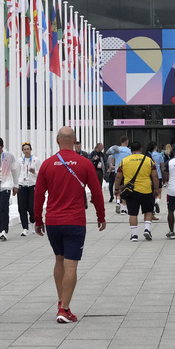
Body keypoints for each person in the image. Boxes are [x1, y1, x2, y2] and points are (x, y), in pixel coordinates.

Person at [35, 126, 107, 323]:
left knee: (59, 260)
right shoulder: (84, 163)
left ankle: (61, 302)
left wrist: (37, 220)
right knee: (71, 263)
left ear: (57, 140)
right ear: (75, 140)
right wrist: (101, 216)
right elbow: (97, 192)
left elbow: (39, 194)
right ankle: (64, 309)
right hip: (75, 221)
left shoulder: (48, 164)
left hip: (53, 221)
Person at [114, 141, 160, 241]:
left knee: (133, 213)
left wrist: (116, 189)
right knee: (148, 211)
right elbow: (155, 176)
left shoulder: (124, 161)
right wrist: (156, 189)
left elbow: (118, 177)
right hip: (146, 190)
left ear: (130, 150)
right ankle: (147, 230)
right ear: (141, 149)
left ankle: (134, 235)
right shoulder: (148, 160)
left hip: (131, 191)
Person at [17, 142, 40, 236]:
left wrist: (34, 172)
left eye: (28, 149)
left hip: (32, 185)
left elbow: (40, 173)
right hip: (22, 185)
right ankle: (25, 228)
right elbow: (16, 173)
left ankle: (33, 223)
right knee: (22, 207)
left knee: (32, 206)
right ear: (22, 151)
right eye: (24, 149)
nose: (26, 151)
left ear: (31, 150)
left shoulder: (36, 160)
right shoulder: (19, 161)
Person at [107, 137, 132, 214]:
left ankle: (118, 202)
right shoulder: (128, 150)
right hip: (126, 171)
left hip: (117, 171)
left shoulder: (116, 150)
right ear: (127, 142)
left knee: (118, 188)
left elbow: (112, 161)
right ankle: (124, 207)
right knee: (125, 188)